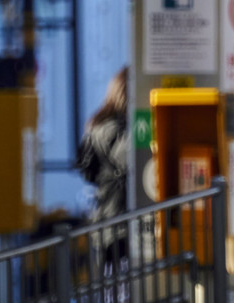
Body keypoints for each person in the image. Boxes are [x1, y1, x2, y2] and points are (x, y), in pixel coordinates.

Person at [76, 67, 130, 301]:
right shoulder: (117, 131)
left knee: (113, 288)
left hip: (107, 223)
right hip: (121, 222)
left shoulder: (97, 125)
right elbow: (132, 162)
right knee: (124, 288)